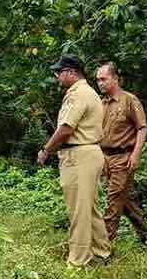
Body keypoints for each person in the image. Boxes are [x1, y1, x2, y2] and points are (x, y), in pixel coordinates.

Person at [37, 55, 111, 267]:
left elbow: (66, 128)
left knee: (78, 209)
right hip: (89, 152)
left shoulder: (77, 94)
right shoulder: (89, 93)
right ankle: (101, 252)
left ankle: (78, 261)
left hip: (79, 155)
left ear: (71, 72)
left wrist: (46, 150)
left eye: (59, 72)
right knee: (89, 206)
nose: (57, 77)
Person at [95, 63, 147, 243]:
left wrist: (136, 154)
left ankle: (103, 248)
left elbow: (142, 128)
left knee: (113, 201)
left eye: (103, 79)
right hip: (105, 158)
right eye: (97, 80)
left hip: (124, 157)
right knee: (123, 200)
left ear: (115, 79)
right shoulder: (101, 103)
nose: (100, 83)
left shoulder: (129, 100)